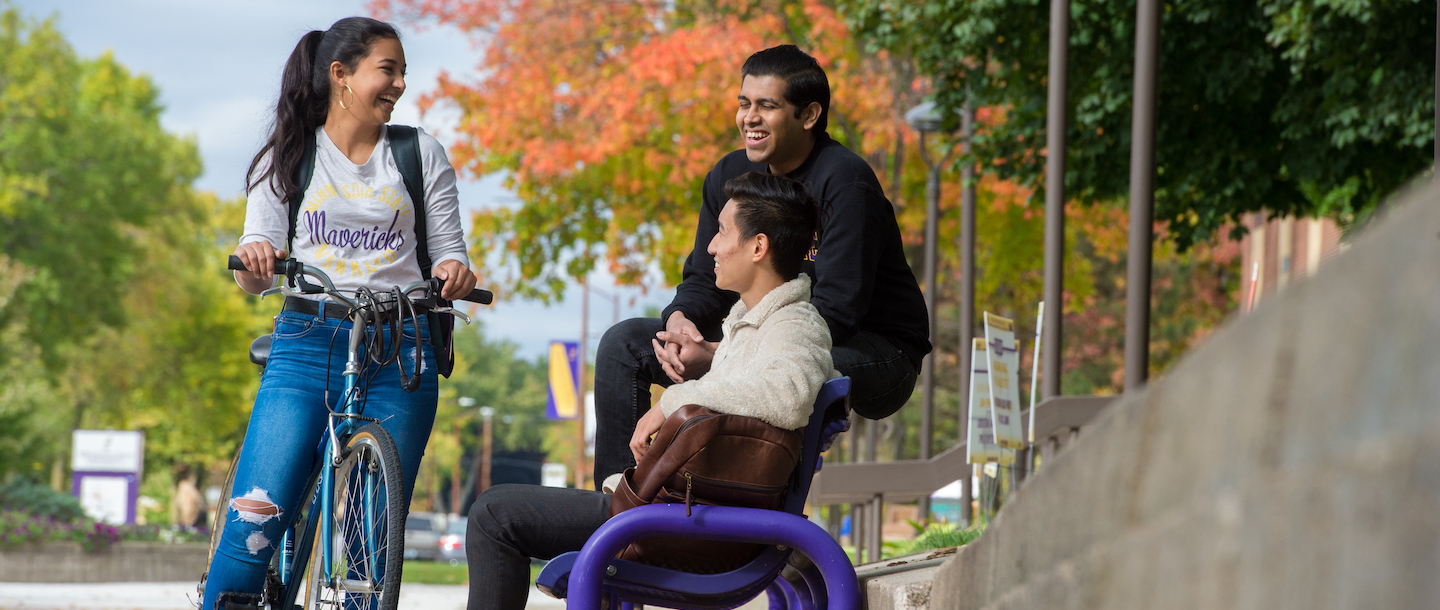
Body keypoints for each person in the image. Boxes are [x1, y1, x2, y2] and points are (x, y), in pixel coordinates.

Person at [204, 17, 476, 610]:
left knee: (370, 540)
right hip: (307, 339)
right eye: (389, 68)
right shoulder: (291, 156)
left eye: (404, 71)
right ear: (341, 76)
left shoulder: (418, 153)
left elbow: (452, 252)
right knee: (258, 515)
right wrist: (254, 260)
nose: (400, 83)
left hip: (400, 347)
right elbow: (256, 274)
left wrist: (456, 271)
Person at [466, 172, 835, 610]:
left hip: (698, 528)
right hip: (687, 513)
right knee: (498, 510)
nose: (711, 247)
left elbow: (788, 394)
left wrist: (674, 401)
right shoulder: (752, 321)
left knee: (494, 515)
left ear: (758, 247)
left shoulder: (795, 324)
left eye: (721, 232)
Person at [592, 44, 931, 488]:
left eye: (767, 106)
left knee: (789, 373)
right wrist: (681, 326)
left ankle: (746, 520)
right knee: (627, 344)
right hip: (760, 337)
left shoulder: (845, 183)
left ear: (808, 115)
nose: (749, 117)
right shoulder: (731, 176)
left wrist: (720, 354)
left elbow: (837, 312)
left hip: (874, 350)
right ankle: (616, 510)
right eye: (744, 103)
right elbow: (703, 278)